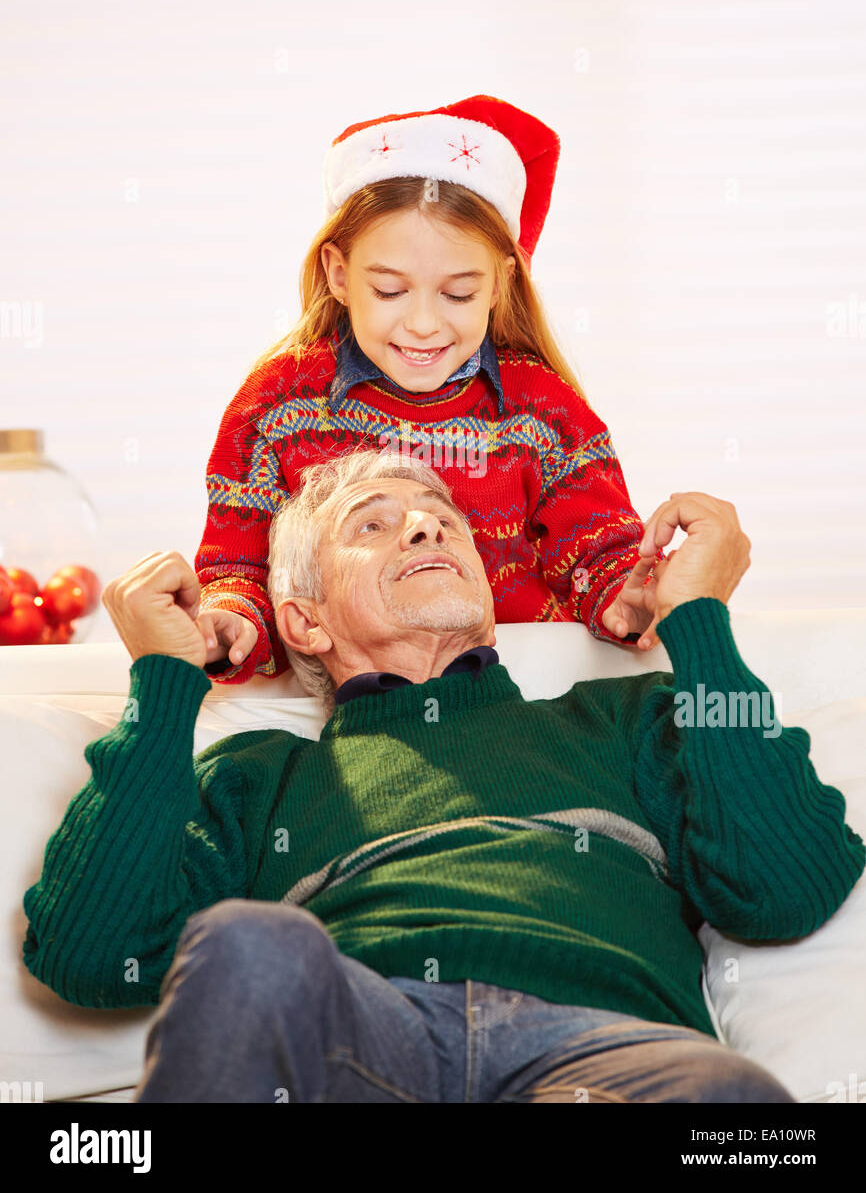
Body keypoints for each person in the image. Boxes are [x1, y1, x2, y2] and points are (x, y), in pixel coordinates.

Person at [21, 451, 865, 1103]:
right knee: (250, 948)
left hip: (605, 1051)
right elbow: (91, 957)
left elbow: (786, 887)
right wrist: (165, 683)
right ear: (302, 621)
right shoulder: (257, 774)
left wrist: (697, 620)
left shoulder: (624, 717)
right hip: (359, 1042)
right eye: (374, 525)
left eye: (441, 519)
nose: (426, 529)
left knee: (736, 1112)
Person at [192, 92, 668, 687]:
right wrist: (232, 621)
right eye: (390, 291)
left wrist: (630, 598)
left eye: (458, 294)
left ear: (501, 281)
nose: (422, 324)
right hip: (359, 698)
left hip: (524, 689)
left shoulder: (541, 407)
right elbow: (240, 566)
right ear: (339, 274)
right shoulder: (277, 404)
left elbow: (600, 551)